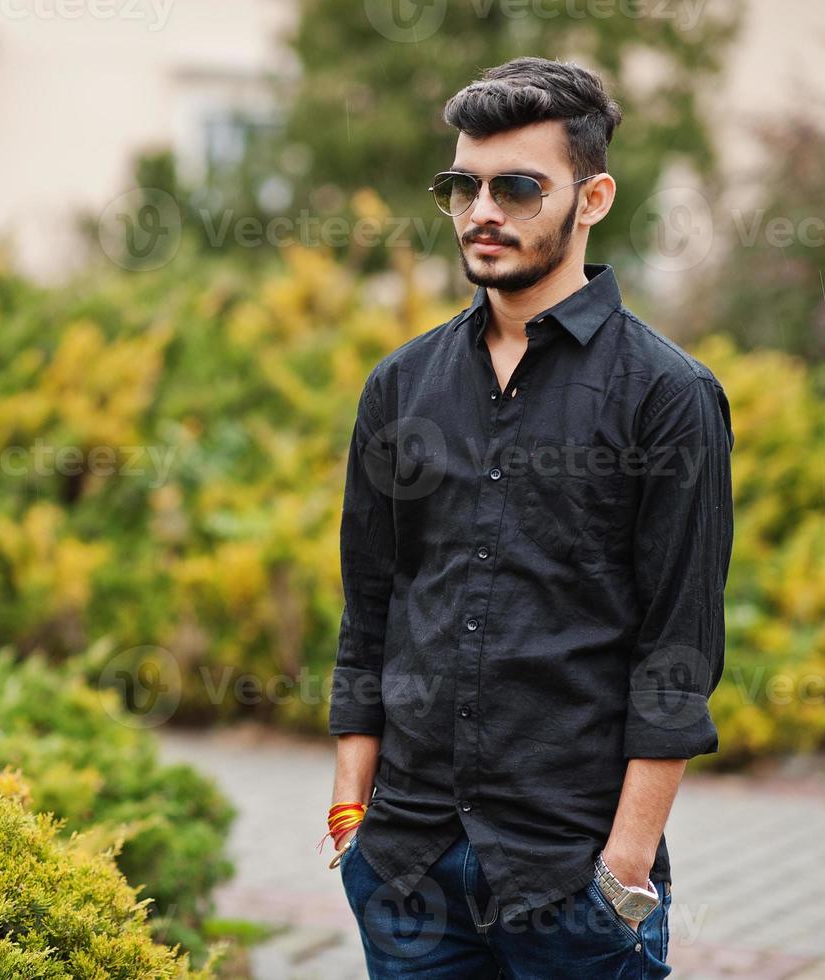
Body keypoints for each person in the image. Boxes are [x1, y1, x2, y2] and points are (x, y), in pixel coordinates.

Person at [326, 56, 735, 978]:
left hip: (573, 877)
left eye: (516, 187)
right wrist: (352, 814)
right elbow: (370, 607)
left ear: (591, 198)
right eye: (460, 186)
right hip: (406, 871)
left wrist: (623, 871)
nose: (482, 211)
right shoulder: (400, 387)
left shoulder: (667, 397)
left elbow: (678, 651)